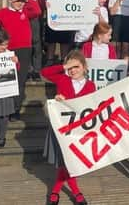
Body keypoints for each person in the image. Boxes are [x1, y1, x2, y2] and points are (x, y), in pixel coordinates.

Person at [41, 50, 94, 205]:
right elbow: (44, 72)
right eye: (70, 68)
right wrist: (64, 66)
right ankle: (76, 192)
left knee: (70, 162)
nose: (73, 70)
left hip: (78, 130)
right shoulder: (62, 79)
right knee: (66, 162)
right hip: (62, 128)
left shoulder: (91, 85)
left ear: (84, 67)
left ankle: (55, 191)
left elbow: (91, 107)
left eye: (76, 66)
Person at [0, 0, 42, 119]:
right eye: (18, 1)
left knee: (21, 80)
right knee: (7, 80)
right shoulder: (1, 13)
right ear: (11, 0)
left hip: (24, 50)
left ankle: (15, 109)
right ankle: (4, 108)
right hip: (7, 51)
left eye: (23, 1)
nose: (21, 4)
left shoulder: (26, 11)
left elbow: (37, 11)